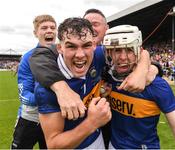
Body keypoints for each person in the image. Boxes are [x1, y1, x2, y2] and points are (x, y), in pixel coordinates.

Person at [34, 17, 111, 149]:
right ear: (60, 48)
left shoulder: (97, 56)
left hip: (98, 140)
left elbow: (133, 52)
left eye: (86, 45)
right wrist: (92, 123)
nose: (80, 54)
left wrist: (149, 67)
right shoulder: (45, 90)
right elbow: (53, 144)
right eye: (71, 46)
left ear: (94, 45)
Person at [102, 24, 175, 149]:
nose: (122, 57)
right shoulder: (108, 76)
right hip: (113, 145)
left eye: (129, 50)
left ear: (139, 51)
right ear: (109, 52)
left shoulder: (156, 85)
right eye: (117, 50)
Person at [11, 14, 57, 149]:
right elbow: (24, 95)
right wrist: (55, 96)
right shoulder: (27, 58)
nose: (49, 30)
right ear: (35, 33)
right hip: (30, 118)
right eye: (44, 28)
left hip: (54, 118)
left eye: (52, 27)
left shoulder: (63, 55)